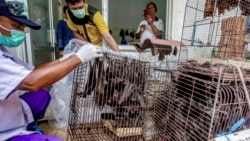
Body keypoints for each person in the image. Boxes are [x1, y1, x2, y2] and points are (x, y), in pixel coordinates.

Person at [0, 0, 103, 140]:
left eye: (21, 27)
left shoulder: (2, 50)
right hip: (4, 129)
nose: (20, 32)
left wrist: (65, 59)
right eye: (16, 26)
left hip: (8, 111)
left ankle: (28, 125)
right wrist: (78, 58)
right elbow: (31, 82)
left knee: (41, 95)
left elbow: (32, 70)